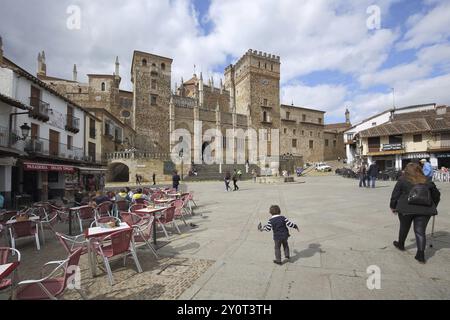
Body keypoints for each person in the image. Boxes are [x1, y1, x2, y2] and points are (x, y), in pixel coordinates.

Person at [390, 163, 440, 263]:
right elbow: (436, 195)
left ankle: (401, 244)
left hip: (406, 208)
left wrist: (393, 206)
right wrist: (434, 205)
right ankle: (420, 255)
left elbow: (395, 194)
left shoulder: (402, 179)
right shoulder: (427, 180)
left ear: (407, 170)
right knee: (420, 231)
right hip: (425, 209)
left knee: (404, 227)